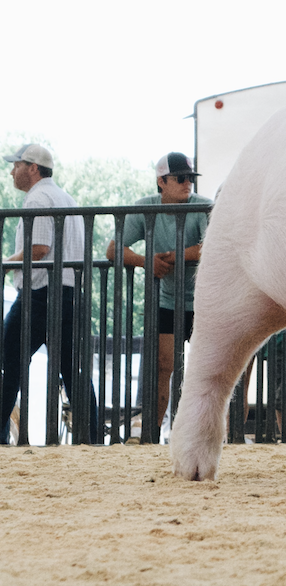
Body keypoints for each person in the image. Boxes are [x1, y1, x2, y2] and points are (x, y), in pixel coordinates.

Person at [106, 151, 208, 438]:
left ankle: (200, 434)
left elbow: (209, 246)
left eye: (190, 178)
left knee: (205, 372)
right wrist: (146, 260)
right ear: (161, 181)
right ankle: (151, 434)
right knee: (165, 367)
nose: (188, 183)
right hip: (169, 301)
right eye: (181, 178)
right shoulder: (146, 208)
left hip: (205, 302)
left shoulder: (203, 206)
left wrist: (173, 256)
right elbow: (113, 250)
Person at [1, 143, 96, 444]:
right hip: (68, 293)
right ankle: (91, 438)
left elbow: (39, 250)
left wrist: (4, 264)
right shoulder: (65, 197)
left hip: (39, 294)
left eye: (16, 165)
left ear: (32, 168)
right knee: (72, 369)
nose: (12, 171)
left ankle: (1, 434)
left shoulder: (38, 198)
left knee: (9, 363)